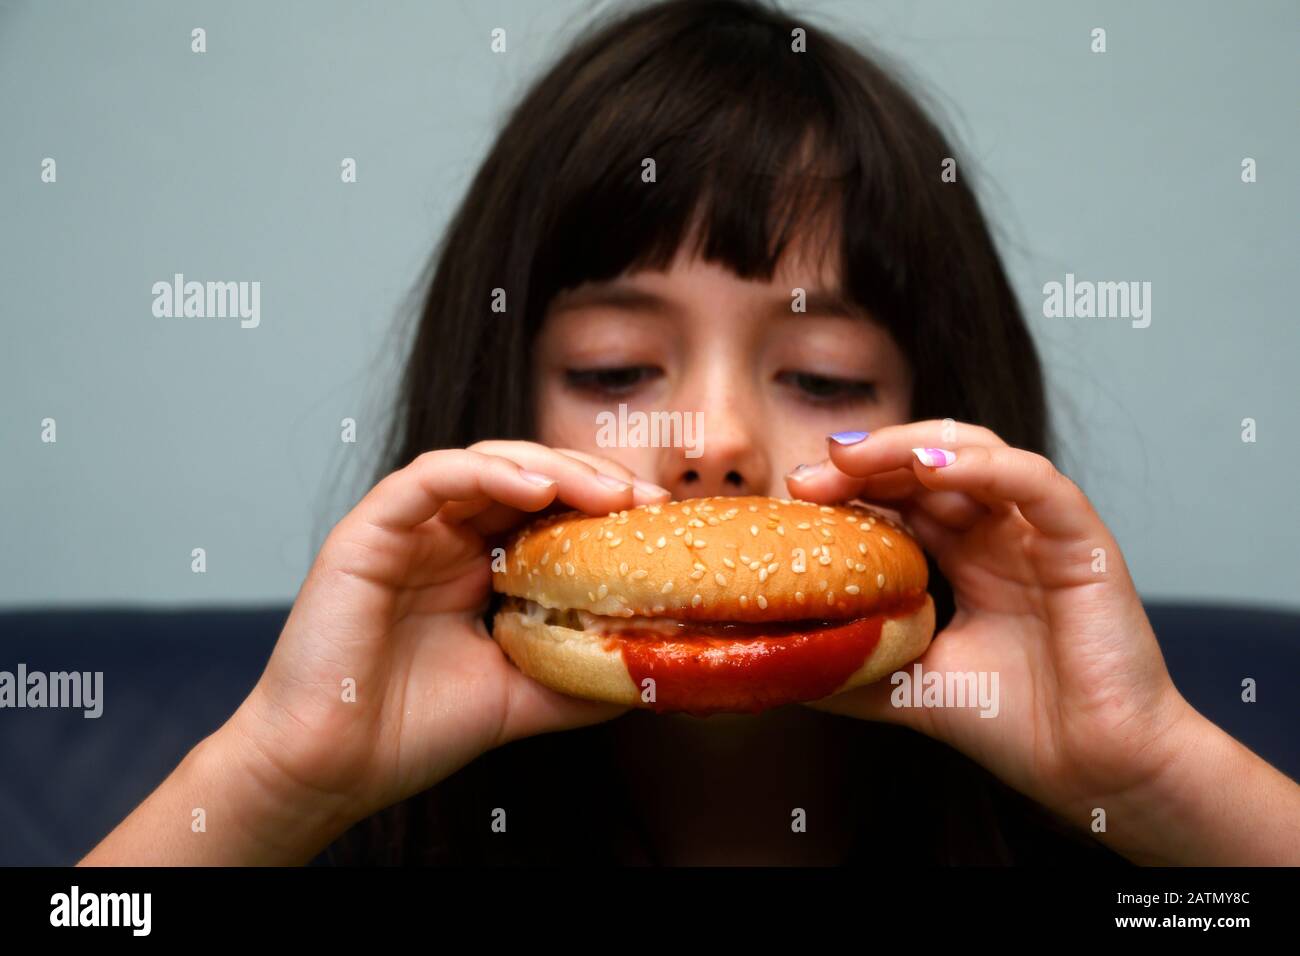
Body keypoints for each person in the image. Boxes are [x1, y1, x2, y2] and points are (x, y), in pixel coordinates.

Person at [81, 0, 1300, 867]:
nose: (710, 439)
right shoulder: (350, 828)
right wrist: (276, 782)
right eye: (615, 367)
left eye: (821, 376)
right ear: (499, 402)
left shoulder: (1129, 853)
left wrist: (1146, 781)